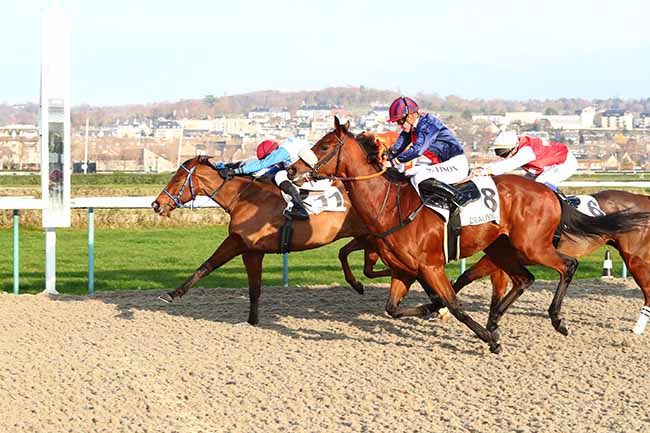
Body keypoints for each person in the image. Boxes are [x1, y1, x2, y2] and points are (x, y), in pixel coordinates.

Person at [384, 96, 474, 208]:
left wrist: (393, 162)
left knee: (418, 177)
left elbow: (417, 150)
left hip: (456, 165)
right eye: (397, 122)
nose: (399, 125)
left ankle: (459, 198)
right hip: (444, 165)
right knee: (408, 173)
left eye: (400, 121)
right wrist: (384, 157)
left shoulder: (428, 125)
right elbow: (397, 148)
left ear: (410, 116)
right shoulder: (412, 128)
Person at [219, 137, 313, 220]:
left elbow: (262, 164)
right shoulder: (286, 153)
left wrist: (236, 171)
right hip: (309, 168)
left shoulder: (283, 151)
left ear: (271, 153)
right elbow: (268, 172)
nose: (271, 164)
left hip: (313, 172)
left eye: (268, 158)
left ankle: (300, 207)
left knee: (280, 176)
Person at [471, 131, 578, 192]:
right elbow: (501, 163)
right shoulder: (517, 147)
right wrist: (483, 168)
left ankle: (562, 205)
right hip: (548, 164)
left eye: (502, 152)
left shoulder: (526, 151)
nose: (501, 155)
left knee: (540, 184)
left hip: (565, 163)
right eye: (498, 152)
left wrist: (485, 171)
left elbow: (508, 165)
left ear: (514, 148)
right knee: (523, 186)